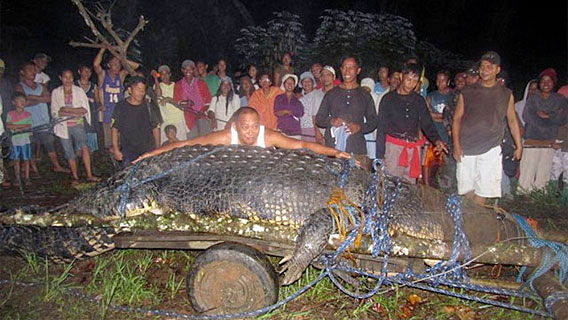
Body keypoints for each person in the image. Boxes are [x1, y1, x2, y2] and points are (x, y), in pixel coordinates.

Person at [134, 107, 351, 164]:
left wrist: (335, 152)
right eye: (245, 127)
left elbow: (303, 144)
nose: (250, 132)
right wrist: (151, 154)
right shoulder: (227, 136)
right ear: (236, 127)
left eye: (255, 127)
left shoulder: (268, 137)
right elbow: (188, 143)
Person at [452, 51, 522, 205]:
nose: (485, 70)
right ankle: (468, 221)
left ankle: (475, 224)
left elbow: (512, 120)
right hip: (467, 146)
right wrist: (456, 145)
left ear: (497, 69)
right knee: (466, 189)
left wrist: (519, 145)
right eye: (482, 67)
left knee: (483, 189)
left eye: (489, 67)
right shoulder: (468, 91)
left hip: (491, 147)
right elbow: (456, 118)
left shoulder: (506, 94)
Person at [376, 63, 447, 183]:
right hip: (393, 149)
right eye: (408, 79)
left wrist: (437, 140)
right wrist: (380, 155)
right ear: (401, 76)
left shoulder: (419, 101)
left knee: (409, 188)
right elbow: (381, 128)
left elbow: (427, 123)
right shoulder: (388, 99)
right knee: (390, 185)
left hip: (413, 149)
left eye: (415, 80)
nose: (411, 83)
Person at [316, 55, 378, 169]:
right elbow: (319, 119)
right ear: (340, 69)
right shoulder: (331, 94)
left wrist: (359, 127)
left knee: (356, 185)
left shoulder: (364, 95)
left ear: (358, 70)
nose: (347, 71)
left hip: (357, 149)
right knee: (332, 185)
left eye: (351, 67)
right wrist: (332, 121)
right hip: (333, 151)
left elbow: (373, 121)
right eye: (344, 67)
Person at [519, 68, 568, 193]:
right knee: (526, 176)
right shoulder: (533, 98)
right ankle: (523, 202)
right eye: (543, 81)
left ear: (554, 83)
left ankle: (539, 204)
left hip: (549, 143)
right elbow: (528, 117)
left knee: (543, 176)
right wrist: (552, 117)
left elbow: (563, 119)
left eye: (549, 81)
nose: (546, 84)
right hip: (532, 142)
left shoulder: (560, 100)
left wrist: (545, 115)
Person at [15, 61, 67, 174]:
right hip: (28, 123)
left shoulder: (40, 86)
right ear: (23, 72)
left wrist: (33, 98)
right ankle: (30, 170)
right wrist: (40, 99)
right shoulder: (20, 86)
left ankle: (56, 166)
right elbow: (23, 103)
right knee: (30, 146)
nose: (32, 72)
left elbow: (48, 98)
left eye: (34, 70)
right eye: (29, 70)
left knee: (49, 144)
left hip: (43, 122)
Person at [51, 69, 100, 183]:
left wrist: (66, 109)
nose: (68, 80)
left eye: (70, 77)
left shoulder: (78, 91)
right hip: (62, 125)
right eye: (65, 77)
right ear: (60, 78)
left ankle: (89, 174)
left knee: (84, 147)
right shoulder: (56, 92)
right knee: (69, 151)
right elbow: (56, 112)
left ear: (73, 78)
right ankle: (75, 177)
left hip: (77, 124)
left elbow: (83, 110)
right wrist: (73, 111)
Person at [93, 47, 139, 149]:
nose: (117, 66)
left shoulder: (121, 76)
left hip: (120, 113)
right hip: (107, 113)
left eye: (119, 64)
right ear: (109, 65)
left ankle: (122, 161)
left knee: (121, 141)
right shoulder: (103, 75)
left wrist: (121, 58)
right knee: (110, 143)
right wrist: (102, 49)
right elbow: (96, 65)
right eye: (114, 63)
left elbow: (135, 66)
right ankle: (113, 162)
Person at [111, 76, 161, 167]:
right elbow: (114, 129)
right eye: (138, 89)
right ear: (130, 90)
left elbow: (156, 127)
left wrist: (157, 149)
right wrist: (116, 149)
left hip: (148, 150)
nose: (141, 93)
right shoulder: (120, 107)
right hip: (128, 151)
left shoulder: (150, 106)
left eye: (143, 89)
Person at [424, 70, 453, 185]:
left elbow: (451, 117)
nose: (440, 83)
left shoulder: (452, 96)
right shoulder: (431, 96)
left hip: (447, 135)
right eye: (438, 80)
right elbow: (427, 114)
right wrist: (443, 117)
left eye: (443, 80)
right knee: (428, 162)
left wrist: (438, 116)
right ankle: (426, 186)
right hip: (433, 134)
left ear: (448, 81)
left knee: (445, 165)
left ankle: (443, 188)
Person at [173, 60, 212, 139]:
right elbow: (177, 102)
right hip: (188, 118)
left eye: (190, 69)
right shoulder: (178, 85)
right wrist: (186, 102)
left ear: (194, 70)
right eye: (185, 69)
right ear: (182, 70)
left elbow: (208, 101)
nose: (188, 71)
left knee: (206, 141)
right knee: (193, 143)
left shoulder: (201, 83)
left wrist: (202, 111)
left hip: (202, 116)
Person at [152, 65, 188, 142]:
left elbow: (182, 103)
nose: (164, 76)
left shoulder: (176, 85)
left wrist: (169, 99)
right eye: (162, 74)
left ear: (170, 74)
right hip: (166, 121)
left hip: (179, 120)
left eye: (166, 74)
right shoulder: (158, 86)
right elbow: (158, 94)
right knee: (166, 147)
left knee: (182, 145)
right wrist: (155, 78)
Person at [6, 92, 32, 185]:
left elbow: (28, 126)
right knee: (16, 159)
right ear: (14, 102)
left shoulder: (28, 114)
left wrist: (15, 126)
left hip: (25, 140)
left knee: (26, 159)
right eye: (19, 101)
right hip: (15, 140)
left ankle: (27, 177)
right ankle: (17, 178)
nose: (22, 102)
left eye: (23, 101)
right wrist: (21, 126)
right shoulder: (10, 114)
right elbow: (8, 125)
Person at [75, 65, 100, 159]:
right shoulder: (74, 85)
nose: (87, 74)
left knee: (91, 141)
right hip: (78, 116)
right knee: (79, 141)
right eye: (85, 71)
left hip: (91, 115)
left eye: (89, 72)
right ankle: (79, 163)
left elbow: (97, 100)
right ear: (79, 71)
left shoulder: (93, 86)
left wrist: (99, 106)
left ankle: (91, 162)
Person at [274, 74, 304, 139]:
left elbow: (301, 112)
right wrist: (285, 111)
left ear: (294, 85)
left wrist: (289, 112)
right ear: (284, 84)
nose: (290, 85)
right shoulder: (279, 98)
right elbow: (276, 112)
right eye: (288, 83)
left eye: (292, 83)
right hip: (282, 131)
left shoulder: (297, 98)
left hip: (295, 132)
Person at [298, 71, 324, 143]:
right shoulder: (300, 99)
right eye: (304, 81)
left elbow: (316, 114)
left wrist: (317, 132)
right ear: (301, 84)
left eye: (309, 81)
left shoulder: (318, 94)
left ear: (313, 83)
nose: (307, 83)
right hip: (303, 130)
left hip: (315, 129)